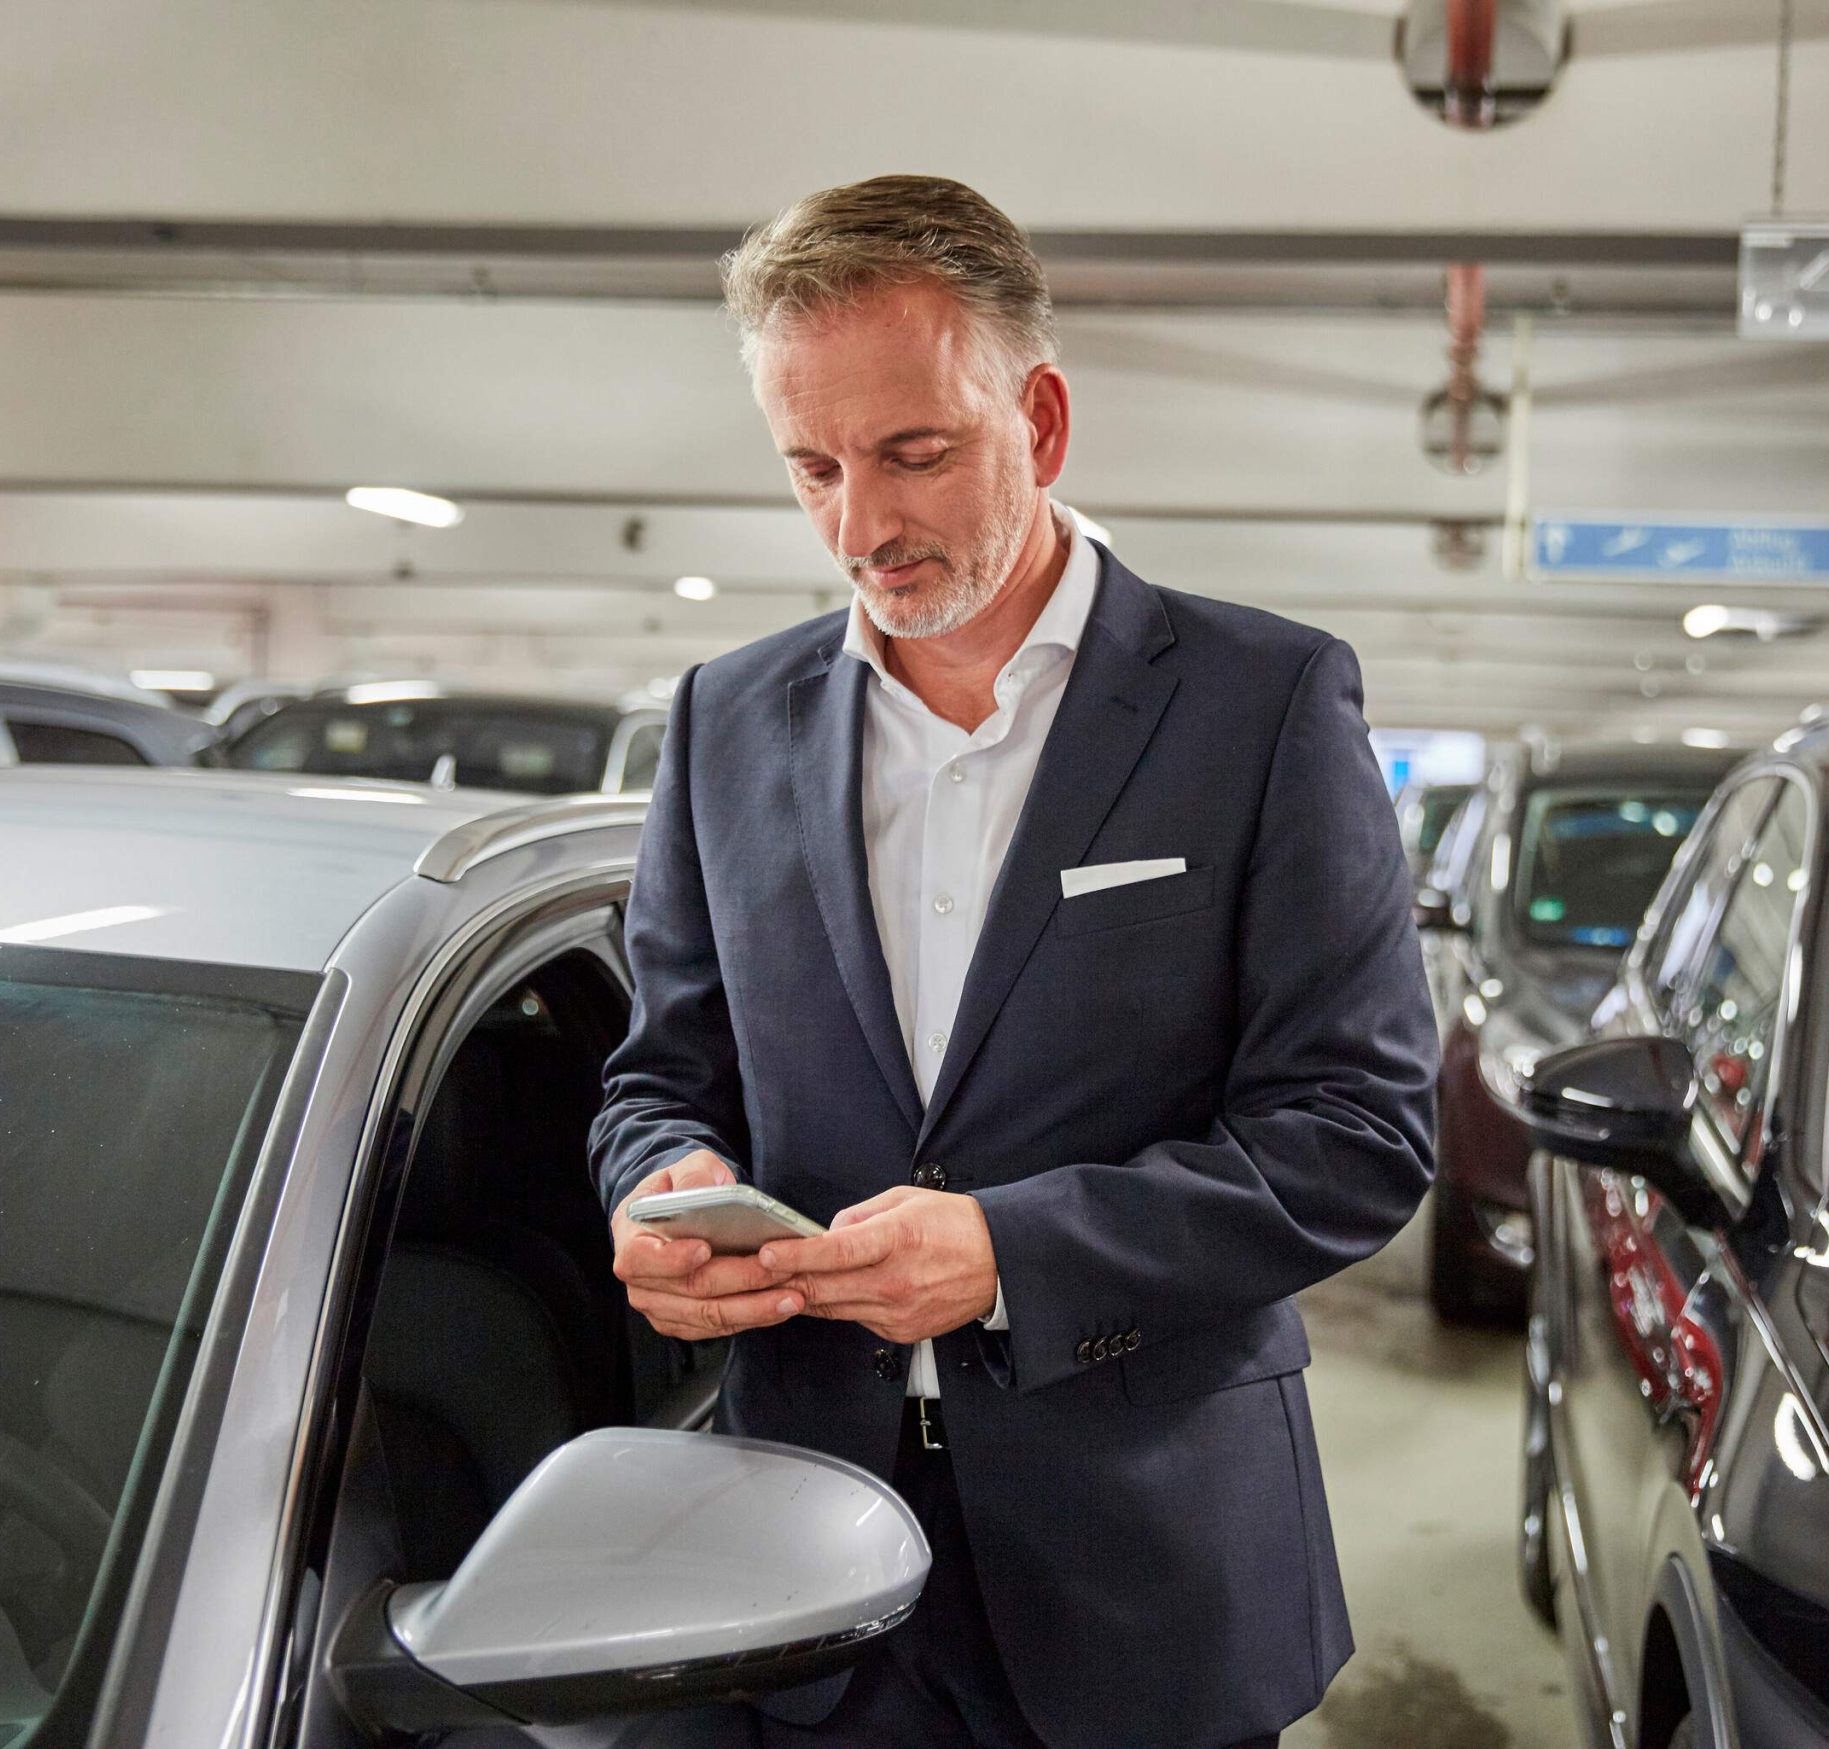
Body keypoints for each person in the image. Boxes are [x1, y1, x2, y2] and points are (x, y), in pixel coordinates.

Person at [590, 173, 1436, 1749]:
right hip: (806, 1564)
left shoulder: (1261, 706)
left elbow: (1360, 1137)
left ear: (1039, 420)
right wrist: (657, 1184)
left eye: (916, 454)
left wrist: (1014, 1251)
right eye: (814, 467)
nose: (864, 525)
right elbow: (658, 1074)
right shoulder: (724, 724)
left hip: (1149, 1569)